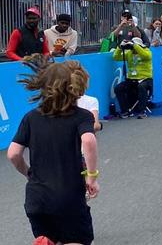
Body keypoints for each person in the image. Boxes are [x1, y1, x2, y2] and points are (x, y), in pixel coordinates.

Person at [7, 58, 99, 245]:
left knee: (47, 239)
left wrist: (29, 173)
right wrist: (91, 177)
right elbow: (88, 140)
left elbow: (13, 154)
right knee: (76, 240)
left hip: (37, 199)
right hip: (68, 198)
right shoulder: (81, 116)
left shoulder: (31, 117)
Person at [113, 37, 153, 119]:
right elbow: (116, 57)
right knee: (118, 88)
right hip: (132, 79)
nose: (133, 49)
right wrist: (119, 48)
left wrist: (135, 45)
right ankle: (125, 111)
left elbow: (146, 56)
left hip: (145, 79)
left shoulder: (146, 51)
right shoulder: (128, 53)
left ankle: (142, 111)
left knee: (141, 87)